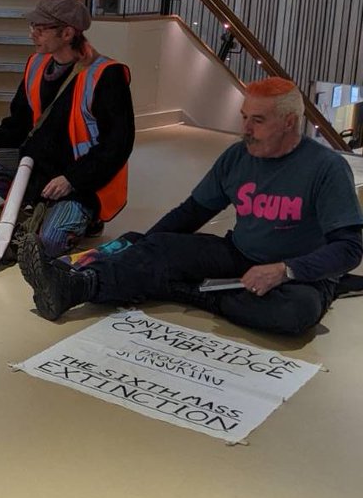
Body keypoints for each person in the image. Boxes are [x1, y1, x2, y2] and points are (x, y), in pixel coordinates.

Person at [19, 78, 363, 337]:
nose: (245, 129)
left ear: (289, 123)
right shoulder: (237, 158)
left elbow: (349, 249)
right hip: (238, 255)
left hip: (298, 274)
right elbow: (192, 212)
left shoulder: (326, 169)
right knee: (157, 249)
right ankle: (74, 288)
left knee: (295, 313)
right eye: (244, 117)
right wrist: (145, 247)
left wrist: (284, 270)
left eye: (257, 121)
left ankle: (183, 289)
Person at [0, 0, 134, 257]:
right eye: (32, 26)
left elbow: (117, 145)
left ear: (67, 33)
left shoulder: (106, 75)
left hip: (81, 179)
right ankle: (34, 204)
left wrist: (71, 179)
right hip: (37, 166)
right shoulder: (37, 64)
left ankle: (84, 218)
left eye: (41, 29)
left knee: (51, 243)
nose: (32, 33)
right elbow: (17, 125)